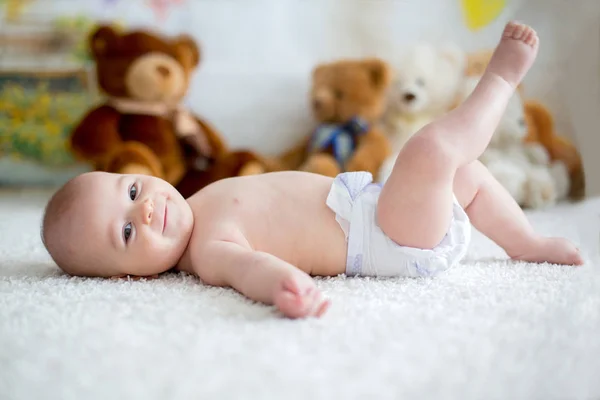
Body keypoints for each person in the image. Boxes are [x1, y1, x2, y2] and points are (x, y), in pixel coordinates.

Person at [41, 22, 583, 319]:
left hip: (374, 202)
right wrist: (285, 287)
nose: (146, 205)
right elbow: (248, 270)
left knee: (467, 182)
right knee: (431, 155)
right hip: (386, 238)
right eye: (128, 230)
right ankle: (500, 83)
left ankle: (526, 243)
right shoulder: (207, 253)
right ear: (125, 276)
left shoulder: (194, 198)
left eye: (133, 188)